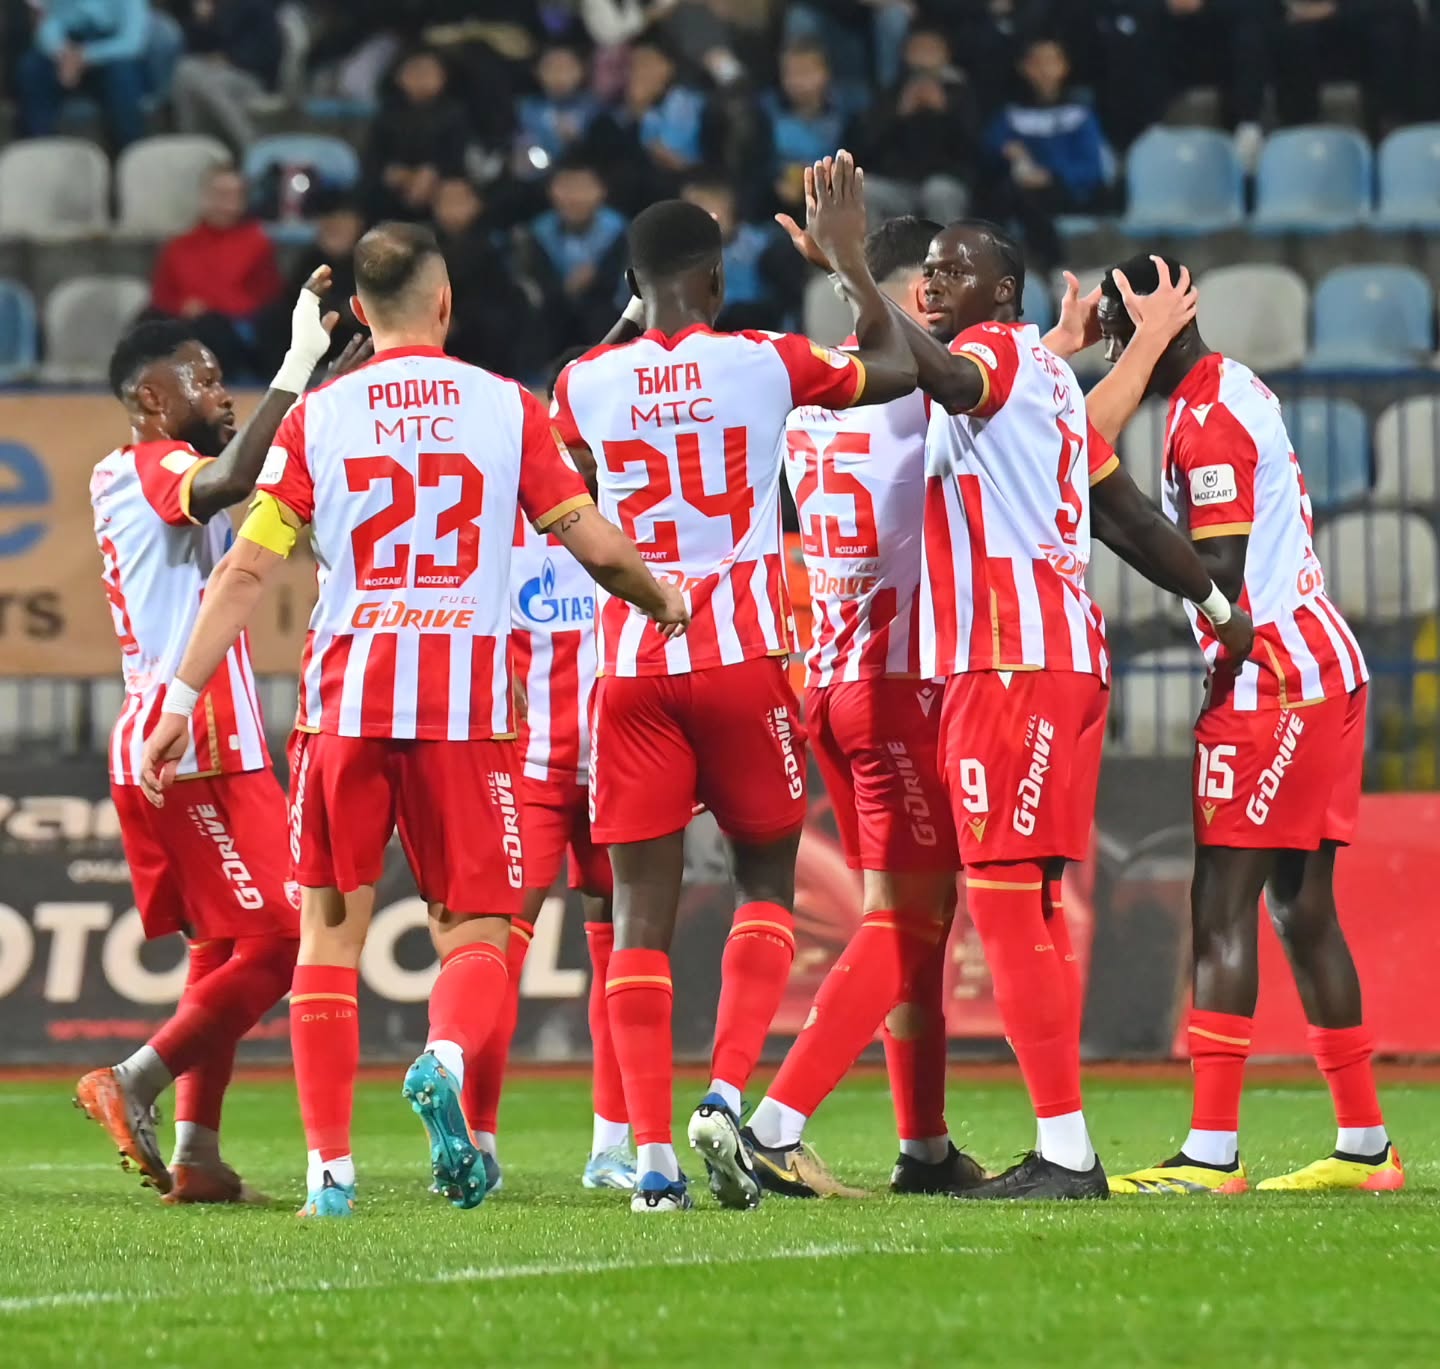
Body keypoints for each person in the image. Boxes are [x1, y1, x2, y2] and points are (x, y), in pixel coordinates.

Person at [139, 222, 686, 1219]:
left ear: (358, 311)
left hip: (344, 710)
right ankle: (445, 1055)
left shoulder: (318, 417)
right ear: (444, 302)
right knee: (477, 934)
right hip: (465, 714)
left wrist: (178, 699)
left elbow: (244, 571)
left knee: (327, 941)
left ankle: (330, 1176)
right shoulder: (508, 408)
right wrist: (662, 599)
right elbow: (591, 541)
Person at [824, 211, 1255, 1199]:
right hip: (1061, 665)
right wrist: (1219, 605)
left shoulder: (989, 358)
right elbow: (1128, 516)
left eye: (953, 270)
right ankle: (1061, 1141)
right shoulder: (1049, 381)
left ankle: (1066, 1153)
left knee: (1004, 902)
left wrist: (853, 271)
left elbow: (944, 374)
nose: (934, 281)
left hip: (1006, 665)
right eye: (928, 271)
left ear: (1002, 294)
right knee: (1038, 910)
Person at [549, 154, 919, 1213]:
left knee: (639, 918)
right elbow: (897, 366)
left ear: (633, 285)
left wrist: (628, 332)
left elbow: (562, 446)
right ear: (716, 280)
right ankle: (722, 1094)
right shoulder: (765, 360)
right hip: (742, 659)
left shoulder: (584, 382)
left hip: (632, 670)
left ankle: (651, 1162)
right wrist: (848, 262)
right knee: (765, 884)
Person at [1094, 254, 1403, 1196]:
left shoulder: (1208, 419)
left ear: (1152, 326)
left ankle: (1212, 1151)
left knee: (1220, 904)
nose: (1110, 349)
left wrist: (1114, 513)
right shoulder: (1226, 388)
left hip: (1274, 678)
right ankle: (1366, 1146)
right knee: (1302, 911)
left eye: (1115, 331)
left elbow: (1218, 575)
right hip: (1318, 664)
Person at [76, 271, 365, 1204]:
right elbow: (238, 474)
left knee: (222, 948)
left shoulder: (151, 474)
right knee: (283, 942)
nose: (221, 392)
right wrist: (298, 362)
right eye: (202, 380)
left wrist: (324, 389)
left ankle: (197, 1153)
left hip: (195, 740)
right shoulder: (149, 466)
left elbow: (259, 466)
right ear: (151, 401)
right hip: (192, 744)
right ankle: (133, 1080)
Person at [740, 215, 977, 1199]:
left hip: (828, 684)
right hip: (896, 688)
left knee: (911, 917)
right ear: (916, 296)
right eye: (942, 287)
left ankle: (925, 1146)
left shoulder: (815, 392)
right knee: (911, 920)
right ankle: (775, 1125)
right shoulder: (919, 392)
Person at [453, 482, 636, 1194]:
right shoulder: (499, 529)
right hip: (528, 772)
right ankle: (478, 1142)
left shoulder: (630, 511)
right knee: (495, 953)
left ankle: (612, 1147)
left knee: (624, 955)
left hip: (621, 770)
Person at [982, 36, 1114, 271]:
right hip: (1021, 189)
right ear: (1024, 68)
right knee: (1004, 193)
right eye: (1036, 62)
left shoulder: (1079, 113)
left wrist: (1050, 176)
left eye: (1051, 61)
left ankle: (1053, 266)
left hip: (1071, 191)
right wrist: (1005, 149)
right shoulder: (1012, 113)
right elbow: (989, 148)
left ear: (1064, 67)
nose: (1044, 69)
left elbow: (1091, 169)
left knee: (1023, 197)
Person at [150, 165, 283, 381]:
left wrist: (210, 306)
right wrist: (183, 307)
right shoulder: (178, 246)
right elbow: (162, 297)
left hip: (237, 332)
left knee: (213, 328)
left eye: (233, 196)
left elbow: (267, 298)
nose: (225, 204)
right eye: (219, 195)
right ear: (204, 197)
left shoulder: (258, 244)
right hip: (185, 325)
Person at [513, 160, 628, 354]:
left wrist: (596, 277)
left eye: (583, 187)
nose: (574, 197)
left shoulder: (619, 230)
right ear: (551, 190)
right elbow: (535, 283)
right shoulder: (538, 232)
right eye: (566, 187)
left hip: (605, 315)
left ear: (602, 190)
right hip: (552, 316)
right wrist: (567, 287)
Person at [16, 0, 148, 149]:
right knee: (32, 68)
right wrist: (61, 53)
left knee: (122, 75)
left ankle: (127, 151)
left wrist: (84, 57)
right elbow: (49, 26)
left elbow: (132, 43)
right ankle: (38, 148)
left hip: (110, 53)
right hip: (68, 49)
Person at [362, 49, 471, 222]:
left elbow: (457, 157)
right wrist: (395, 174)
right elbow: (374, 157)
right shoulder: (388, 113)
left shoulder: (455, 113)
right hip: (393, 189)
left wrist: (432, 173)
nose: (421, 78)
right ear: (399, 76)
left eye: (428, 72)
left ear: (443, 77)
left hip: (439, 186)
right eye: (415, 71)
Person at [170, 0, 282, 155]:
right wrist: (202, 21)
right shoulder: (218, 8)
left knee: (211, 81)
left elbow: (269, 53)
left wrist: (231, 59)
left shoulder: (258, 6)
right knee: (184, 69)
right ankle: (194, 150)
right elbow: (195, 49)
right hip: (217, 74)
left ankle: (253, 146)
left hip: (253, 78)